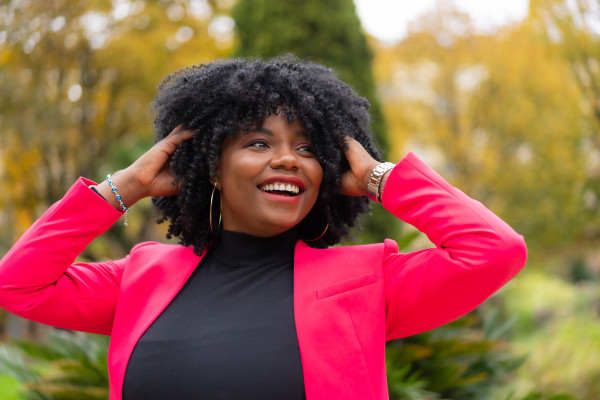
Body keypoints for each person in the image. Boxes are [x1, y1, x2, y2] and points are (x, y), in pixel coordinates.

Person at [0, 57, 527, 400]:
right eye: (258, 143)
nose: (287, 159)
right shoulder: (142, 276)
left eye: (307, 148)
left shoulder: (367, 281)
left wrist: (377, 177)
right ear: (211, 165)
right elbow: (18, 284)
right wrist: (126, 186)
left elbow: (494, 251)